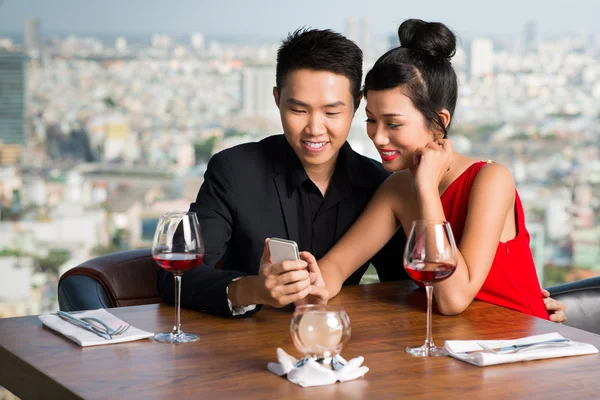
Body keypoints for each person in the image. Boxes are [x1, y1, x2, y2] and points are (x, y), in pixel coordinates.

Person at [301, 19, 566, 322]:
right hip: (455, 348)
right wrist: (298, 281)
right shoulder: (397, 189)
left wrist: (426, 189)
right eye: (371, 120)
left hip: (521, 347)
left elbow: (452, 298)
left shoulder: (490, 180)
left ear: (439, 121)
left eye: (394, 123)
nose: (378, 136)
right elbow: (336, 268)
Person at [157, 28, 409, 318]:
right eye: (299, 110)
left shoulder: (379, 184)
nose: (315, 128)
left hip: (338, 347)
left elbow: (406, 286)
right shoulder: (233, 172)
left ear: (356, 104)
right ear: (277, 100)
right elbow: (172, 276)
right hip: (239, 350)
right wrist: (252, 290)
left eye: (331, 113)